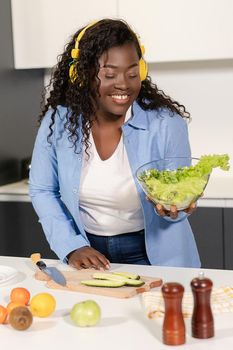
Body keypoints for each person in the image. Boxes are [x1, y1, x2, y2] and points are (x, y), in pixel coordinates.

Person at [29, 19, 201, 270]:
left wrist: (178, 206)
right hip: (88, 252)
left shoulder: (166, 124)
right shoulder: (59, 121)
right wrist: (71, 245)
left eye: (132, 73)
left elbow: (178, 194)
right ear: (82, 74)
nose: (124, 84)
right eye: (109, 74)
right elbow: (42, 189)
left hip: (157, 255)